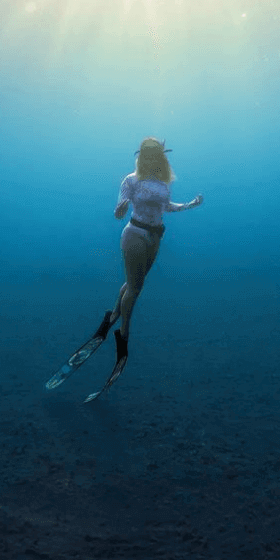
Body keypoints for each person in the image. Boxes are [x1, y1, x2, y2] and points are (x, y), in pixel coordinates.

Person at [45, 136, 203, 400]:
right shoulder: (131, 180)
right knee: (136, 288)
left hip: (155, 236)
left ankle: (110, 320)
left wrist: (188, 206)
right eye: (148, 154)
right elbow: (120, 206)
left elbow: (166, 207)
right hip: (135, 234)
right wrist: (120, 208)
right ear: (142, 156)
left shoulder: (163, 182)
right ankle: (123, 334)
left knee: (132, 284)